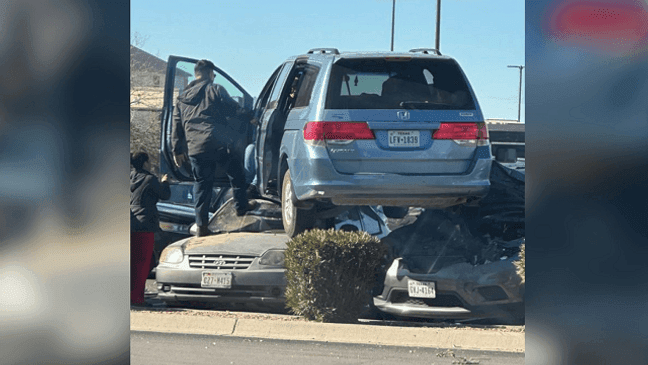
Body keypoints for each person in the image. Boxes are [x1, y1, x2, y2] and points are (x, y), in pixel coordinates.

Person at [171, 59, 255, 237]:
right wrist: (251, 117)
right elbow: (233, 110)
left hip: (195, 148)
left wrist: (176, 150)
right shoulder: (215, 89)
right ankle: (241, 208)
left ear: (196, 74)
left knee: (202, 185)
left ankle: (201, 225)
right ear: (210, 73)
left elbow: (176, 125)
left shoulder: (181, 98)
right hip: (217, 144)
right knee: (237, 174)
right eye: (214, 75)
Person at [130, 151, 170, 306]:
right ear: (145, 162)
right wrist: (165, 182)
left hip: (130, 222)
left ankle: (131, 295)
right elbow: (164, 195)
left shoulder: (130, 177)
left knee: (133, 262)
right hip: (145, 224)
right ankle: (137, 297)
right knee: (142, 263)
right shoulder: (150, 179)